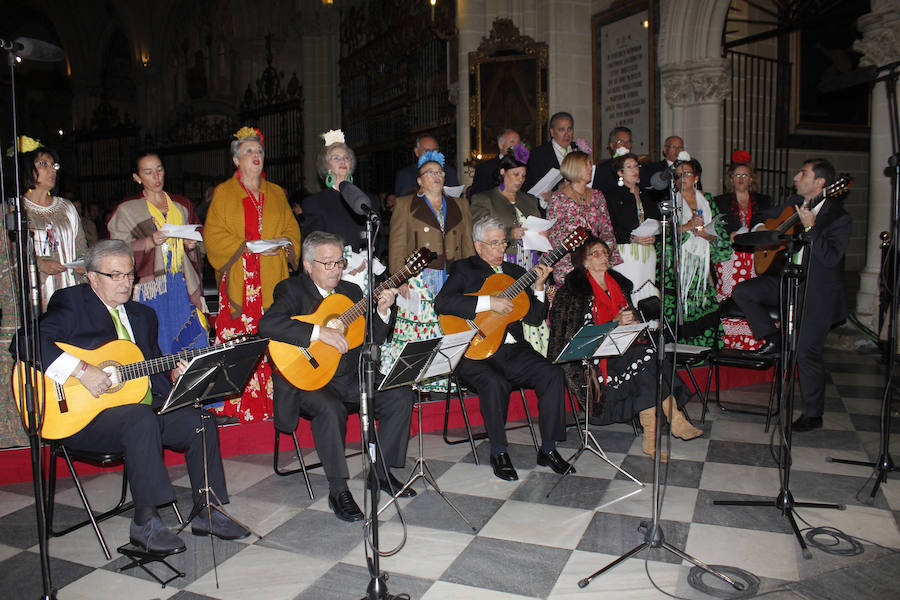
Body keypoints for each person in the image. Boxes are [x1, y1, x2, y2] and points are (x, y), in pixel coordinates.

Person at [11, 240, 248, 553]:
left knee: (200, 420)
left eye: (129, 275)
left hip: (140, 411)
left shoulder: (142, 314)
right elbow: (24, 342)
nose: (125, 283)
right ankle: (145, 522)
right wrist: (82, 370)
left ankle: (208, 511)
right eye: (115, 275)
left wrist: (175, 376)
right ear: (92, 277)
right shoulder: (72, 302)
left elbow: (152, 367)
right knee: (141, 418)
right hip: (82, 418)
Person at [258, 231, 413, 521]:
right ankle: (338, 490)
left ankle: (379, 473)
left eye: (339, 262)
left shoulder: (351, 292)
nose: (336, 269)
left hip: (349, 376)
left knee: (400, 394)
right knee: (331, 409)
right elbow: (267, 325)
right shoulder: (291, 290)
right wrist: (319, 332)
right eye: (327, 263)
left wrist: (382, 312)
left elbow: (371, 339)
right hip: (308, 379)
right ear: (308, 265)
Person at [434, 216, 572, 481]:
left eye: (503, 243)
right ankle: (499, 452)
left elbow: (534, 318)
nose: (501, 249)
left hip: (513, 350)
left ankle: (549, 448)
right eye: (494, 243)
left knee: (553, 374)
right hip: (473, 352)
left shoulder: (516, 272)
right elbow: (442, 303)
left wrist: (539, 288)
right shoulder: (465, 269)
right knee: (495, 383)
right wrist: (489, 302)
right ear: (478, 246)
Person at [548, 237, 702, 460]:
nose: (604, 257)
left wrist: (632, 323)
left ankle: (656, 435)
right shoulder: (572, 293)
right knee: (647, 359)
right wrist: (614, 324)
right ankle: (672, 420)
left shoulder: (618, 285)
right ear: (584, 261)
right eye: (596, 253)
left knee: (647, 358)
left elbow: (629, 320)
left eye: (605, 252)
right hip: (593, 360)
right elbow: (570, 337)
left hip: (624, 349)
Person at [732, 159, 850, 432]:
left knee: (806, 353)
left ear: (820, 183)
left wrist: (811, 228)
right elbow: (762, 215)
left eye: (803, 173)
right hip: (787, 281)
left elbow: (831, 258)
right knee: (743, 291)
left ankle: (813, 414)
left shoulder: (839, 217)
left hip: (816, 294)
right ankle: (773, 338)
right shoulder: (794, 203)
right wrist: (760, 228)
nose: (796, 177)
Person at [203, 126, 301, 423]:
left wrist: (282, 246)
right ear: (236, 160)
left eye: (259, 151)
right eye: (248, 151)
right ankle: (235, 407)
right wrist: (247, 248)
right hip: (240, 281)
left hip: (271, 277)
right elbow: (213, 236)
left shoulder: (277, 193)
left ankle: (274, 404)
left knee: (274, 339)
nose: (256, 155)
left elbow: (292, 230)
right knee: (241, 341)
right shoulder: (223, 193)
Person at [382, 150, 475, 392]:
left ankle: (447, 382)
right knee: (421, 335)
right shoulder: (405, 204)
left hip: (452, 276)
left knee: (450, 330)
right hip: (419, 279)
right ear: (419, 180)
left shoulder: (460, 205)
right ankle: (417, 386)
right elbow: (397, 246)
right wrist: (400, 280)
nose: (436, 176)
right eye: (430, 172)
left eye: (440, 172)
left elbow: (468, 246)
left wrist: (471, 279)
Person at [107, 151, 209, 355]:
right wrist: (149, 241)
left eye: (159, 170)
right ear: (137, 177)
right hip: (150, 290)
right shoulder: (127, 209)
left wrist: (191, 246)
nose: (156, 177)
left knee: (191, 340)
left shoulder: (181, 205)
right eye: (148, 172)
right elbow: (116, 251)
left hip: (181, 284)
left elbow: (201, 241)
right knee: (157, 343)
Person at [470, 144, 548, 354]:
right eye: (516, 174)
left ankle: (532, 350)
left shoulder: (529, 199)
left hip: (529, 259)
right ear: (503, 172)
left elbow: (538, 226)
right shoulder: (484, 199)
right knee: (510, 305)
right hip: (503, 260)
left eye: (523, 175)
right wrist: (509, 233)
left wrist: (543, 234)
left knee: (531, 303)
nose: (520, 179)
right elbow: (478, 230)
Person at [658, 159, 731, 348]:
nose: (682, 178)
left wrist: (704, 234)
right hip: (679, 268)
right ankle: (681, 355)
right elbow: (664, 235)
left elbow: (721, 237)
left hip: (702, 267)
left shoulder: (708, 201)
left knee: (706, 310)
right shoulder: (670, 203)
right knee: (681, 312)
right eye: (678, 175)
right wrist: (688, 226)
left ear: (696, 178)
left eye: (687, 174)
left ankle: (703, 354)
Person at [16, 137, 86, 312]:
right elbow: (7, 256)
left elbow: (81, 247)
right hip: (36, 296)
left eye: (54, 165)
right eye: (43, 164)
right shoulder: (15, 210)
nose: (52, 170)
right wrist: (40, 264)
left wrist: (83, 263)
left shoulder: (67, 207)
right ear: (26, 169)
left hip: (70, 292)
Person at [713, 151, 773, 350]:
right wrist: (728, 234)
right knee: (731, 293)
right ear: (731, 179)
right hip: (730, 255)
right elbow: (715, 228)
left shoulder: (764, 201)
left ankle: (755, 339)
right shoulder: (720, 201)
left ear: (751, 178)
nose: (741, 179)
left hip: (755, 255)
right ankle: (730, 339)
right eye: (737, 175)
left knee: (752, 294)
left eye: (745, 175)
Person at [547, 150, 620, 291]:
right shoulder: (558, 198)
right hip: (568, 262)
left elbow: (606, 228)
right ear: (574, 168)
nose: (590, 168)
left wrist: (607, 247)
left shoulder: (597, 195)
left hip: (594, 260)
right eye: (586, 164)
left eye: (590, 164)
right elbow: (553, 234)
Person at [302, 129, 380, 254]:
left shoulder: (368, 200)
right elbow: (314, 247)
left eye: (346, 158)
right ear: (326, 166)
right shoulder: (314, 203)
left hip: (365, 264)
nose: (343, 161)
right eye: (336, 158)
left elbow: (378, 240)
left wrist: (366, 258)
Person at [605, 152, 661, 304]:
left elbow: (658, 221)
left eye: (636, 166)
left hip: (648, 251)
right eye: (629, 167)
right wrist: (632, 238)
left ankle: (649, 319)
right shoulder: (612, 195)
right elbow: (610, 226)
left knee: (648, 291)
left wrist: (655, 237)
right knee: (630, 291)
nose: (634, 170)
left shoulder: (648, 194)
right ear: (620, 172)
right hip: (626, 252)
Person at [523, 112, 576, 195]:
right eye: (561, 129)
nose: (567, 134)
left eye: (569, 129)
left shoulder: (578, 150)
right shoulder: (538, 154)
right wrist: (557, 189)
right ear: (552, 132)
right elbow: (531, 185)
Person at [394, 134, 460, 197]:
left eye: (435, 150)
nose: (432, 154)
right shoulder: (406, 175)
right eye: (427, 151)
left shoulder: (449, 172)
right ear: (416, 152)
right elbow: (403, 202)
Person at [470, 129, 521, 196]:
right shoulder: (485, 168)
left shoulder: (525, 167)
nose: (517, 146)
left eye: (518, 143)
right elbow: (477, 196)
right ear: (501, 145)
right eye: (512, 142)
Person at [591, 126, 633, 196]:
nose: (625, 145)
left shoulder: (636, 168)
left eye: (628, 142)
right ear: (612, 145)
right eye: (621, 142)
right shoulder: (602, 170)